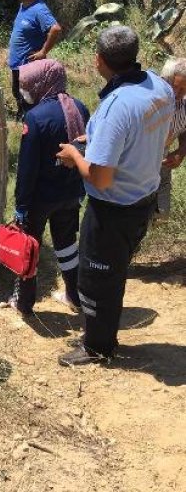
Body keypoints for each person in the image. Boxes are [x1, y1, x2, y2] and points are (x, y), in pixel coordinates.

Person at [56, 26, 174, 366]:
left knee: (97, 277)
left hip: (113, 208)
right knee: (116, 268)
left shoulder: (117, 107)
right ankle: (101, 337)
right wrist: (96, 139)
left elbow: (101, 177)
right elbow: (154, 136)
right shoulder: (159, 86)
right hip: (143, 196)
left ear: (99, 60)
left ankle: (97, 346)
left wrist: (74, 157)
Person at [1, 59, 89, 318]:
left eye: (28, 85)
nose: (26, 91)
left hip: (40, 198)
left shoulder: (35, 117)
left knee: (29, 250)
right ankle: (74, 295)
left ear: (41, 83)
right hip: (71, 193)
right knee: (67, 246)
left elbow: (27, 169)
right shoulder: (81, 108)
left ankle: (24, 303)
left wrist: (21, 207)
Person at [7, 0, 62, 118]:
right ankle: (22, 116)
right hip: (17, 62)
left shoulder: (39, 9)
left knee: (28, 96)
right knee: (17, 92)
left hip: (28, 64)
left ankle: (31, 122)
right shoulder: (23, 6)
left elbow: (55, 28)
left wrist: (43, 51)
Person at [156, 56, 186, 217]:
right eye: (176, 87)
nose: (179, 94)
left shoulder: (184, 103)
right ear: (165, 80)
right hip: (138, 164)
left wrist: (181, 151)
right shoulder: (149, 102)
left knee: (162, 215)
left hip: (162, 163)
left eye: (184, 89)